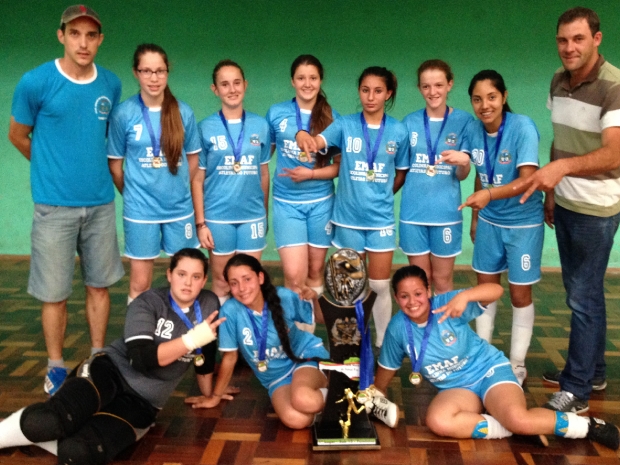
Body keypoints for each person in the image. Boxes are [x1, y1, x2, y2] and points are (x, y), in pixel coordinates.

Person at [0, 248, 230, 464]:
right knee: (49, 421)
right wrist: (192, 339)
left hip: (144, 403)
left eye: (196, 276)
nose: (188, 282)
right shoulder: (148, 303)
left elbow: (205, 354)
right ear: (169, 275)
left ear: (204, 280)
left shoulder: (208, 303)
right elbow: (141, 361)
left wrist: (210, 394)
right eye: (182, 274)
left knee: (78, 452)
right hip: (110, 372)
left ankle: (39, 437)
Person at [373, 265, 620, 450]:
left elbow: (496, 290)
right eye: (404, 296)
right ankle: (511, 428)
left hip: (489, 372)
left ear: (428, 290)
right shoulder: (397, 328)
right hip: (457, 388)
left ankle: (590, 426)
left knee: (519, 418)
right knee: (438, 421)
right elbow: (387, 367)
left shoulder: (447, 303)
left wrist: (466, 295)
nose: (412, 301)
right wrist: (377, 392)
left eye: (418, 293)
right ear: (396, 298)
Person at [7, 5, 125, 395]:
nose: (83, 42)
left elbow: (106, 141)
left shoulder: (110, 84)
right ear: (61, 35)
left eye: (91, 35)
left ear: (100, 40)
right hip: (53, 207)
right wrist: (49, 169)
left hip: (100, 205)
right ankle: (55, 366)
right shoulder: (35, 82)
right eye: (75, 34)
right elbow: (18, 135)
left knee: (99, 285)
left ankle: (97, 357)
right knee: (54, 292)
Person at [516, 7, 620, 413]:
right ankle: (592, 371)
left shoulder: (613, 86)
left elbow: (614, 153)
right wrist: (553, 191)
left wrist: (561, 169)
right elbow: (562, 140)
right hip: (568, 203)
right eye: (563, 40)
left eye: (578, 39)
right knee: (584, 292)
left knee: (582, 296)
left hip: (598, 208)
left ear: (597, 38)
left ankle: (576, 390)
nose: (569, 47)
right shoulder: (559, 81)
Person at [441, 70, 544, 386]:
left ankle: (517, 364)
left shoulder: (522, 127)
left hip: (523, 224)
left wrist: (488, 194)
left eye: (491, 97)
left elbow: (527, 180)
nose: (484, 105)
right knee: (485, 292)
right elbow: (479, 171)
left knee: (519, 293)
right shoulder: (474, 129)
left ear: (504, 96)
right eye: (477, 99)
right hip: (488, 222)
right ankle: (484, 357)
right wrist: (476, 216)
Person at [296, 66, 409, 347]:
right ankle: (354, 340)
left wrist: (380, 195)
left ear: (389, 94)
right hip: (347, 220)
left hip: (380, 220)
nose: (371, 97)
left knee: (380, 285)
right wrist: (302, 135)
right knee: (349, 287)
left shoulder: (398, 130)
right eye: (365, 90)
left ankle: (383, 343)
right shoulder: (345, 125)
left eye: (378, 91)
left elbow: (401, 173)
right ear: (359, 92)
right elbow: (318, 141)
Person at [108, 43, 202, 304]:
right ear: (136, 73)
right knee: (140, 284)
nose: (154, 78)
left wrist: (178, 188)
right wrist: (136, 195)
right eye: (146, 71)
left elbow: (193, 161)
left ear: (167, 72)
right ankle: (140, 343)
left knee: (186, 282)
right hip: (140, 213)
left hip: (179, 209)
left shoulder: (183, 111)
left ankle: (184, 341)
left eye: (160, 71)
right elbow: (116, 167)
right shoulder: (123, 114)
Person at [195, 254, 329, 429]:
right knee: (295, 419)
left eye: (247, 279)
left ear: (260, 277)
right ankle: (327, 401)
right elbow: (230, 358)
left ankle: (349, 394)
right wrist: (215, 397)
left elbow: (320, 318)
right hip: (275, 378)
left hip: (304, 357)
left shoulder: (283, 296)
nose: (242, 288)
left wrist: (314, 298)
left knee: (303, 399)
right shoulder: (229, 311)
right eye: (234, 283)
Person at [192, 60, 271, 304]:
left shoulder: (261, 125)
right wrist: (201, 223)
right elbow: (197, 178)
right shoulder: (205, 127)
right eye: (224, 84)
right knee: (222, 282)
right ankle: (225, 341)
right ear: (215, 90)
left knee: (249, 283)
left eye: (237, 83)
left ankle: (249, 340)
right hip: (217, 218)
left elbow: (264, 174)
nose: (232, 89)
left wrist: (263, 214)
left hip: (252, 217)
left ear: (245, 85)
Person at [394, 59, 473, 294]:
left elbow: (462, 174)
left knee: (442, 280)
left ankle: (441, 329)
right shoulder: (409, 122)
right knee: (420, 281)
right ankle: (422, 330)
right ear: (419, 88)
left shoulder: (464, 121)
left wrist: (464, 162)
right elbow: (400, 169)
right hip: (413, 215)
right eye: (426, 86)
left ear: (450, 84)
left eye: (438, 85)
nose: (432, 91)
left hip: (446, 214)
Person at [266, 55, 340, 300]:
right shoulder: (277, 113)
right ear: (292, 81)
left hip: (321, 203)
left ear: (321, 80)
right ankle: (294, 335)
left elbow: (338, 168)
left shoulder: (332, 118)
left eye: (313, 78)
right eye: (301, 78)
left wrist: (311, 173)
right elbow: (264, 159)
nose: (307, 84)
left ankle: (307, 332)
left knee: (316, 270)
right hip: (287, 205)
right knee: (294, 276)